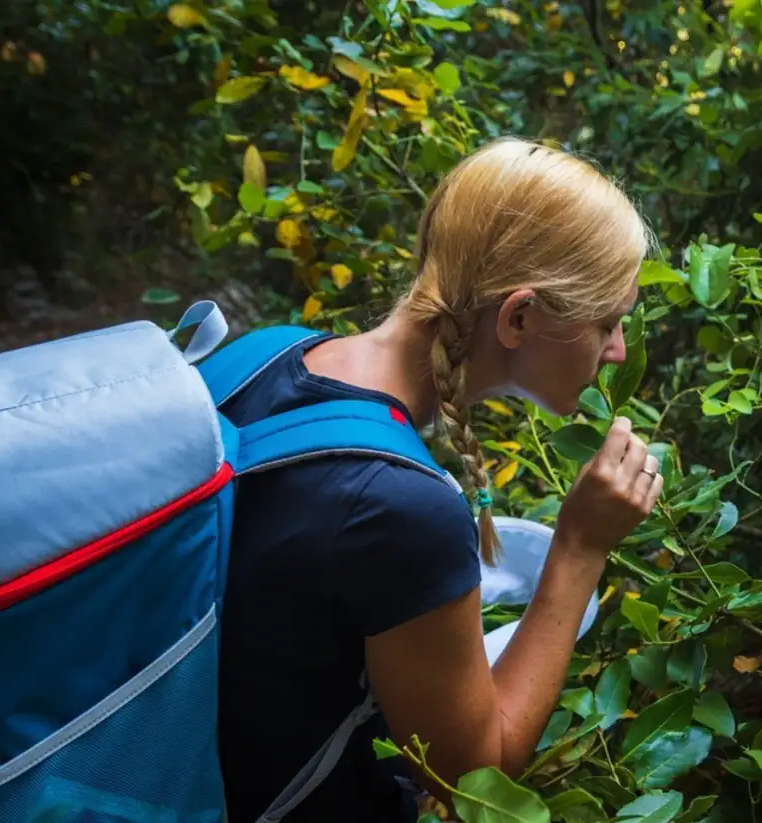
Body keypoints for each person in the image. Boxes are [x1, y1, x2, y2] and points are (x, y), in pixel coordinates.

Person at [215, 136, 662, 822]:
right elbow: (475, 776)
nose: (618, 350)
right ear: (519, 316)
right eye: (608, 322)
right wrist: (580, 545)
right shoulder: (399, 507)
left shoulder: (262, 354)